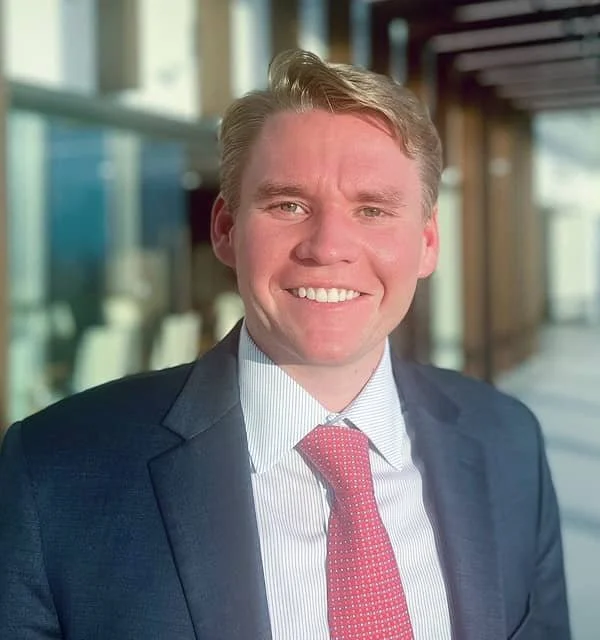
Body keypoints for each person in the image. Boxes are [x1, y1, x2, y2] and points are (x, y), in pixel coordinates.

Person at [0, 49, 570, 640]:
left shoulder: (509, 442)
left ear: (427, 244)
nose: (327, 246)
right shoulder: (55, 471)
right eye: (289, 205)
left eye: (372, 210)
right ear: (226, 229)